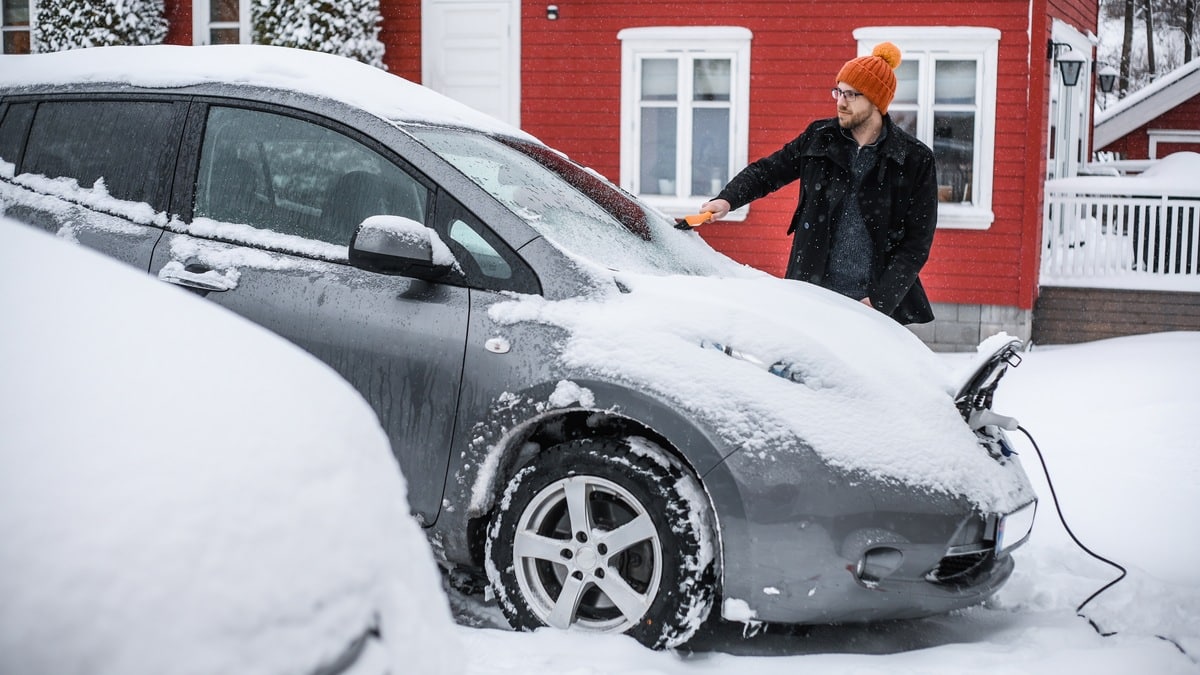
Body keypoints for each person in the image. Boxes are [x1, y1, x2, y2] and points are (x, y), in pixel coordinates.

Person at [698, 42, 938, 325]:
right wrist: (727, 199)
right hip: (812, 294)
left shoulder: (913, 159)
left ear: (876, 101)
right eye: (838, 91)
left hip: (872, 306)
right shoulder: (820, 138)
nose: (840, 101)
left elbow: (916, 243)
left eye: (851, 94)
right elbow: (769, 171)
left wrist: (879, 300)